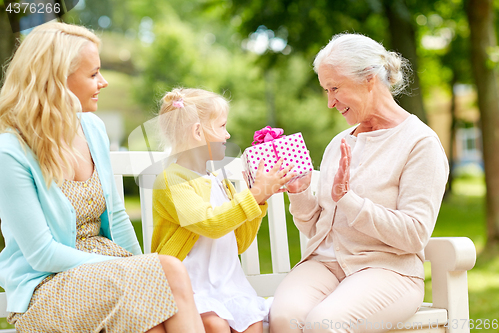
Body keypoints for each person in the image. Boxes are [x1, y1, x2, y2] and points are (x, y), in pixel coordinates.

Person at [0, 22, 204, 333]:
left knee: (162, 284)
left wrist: (144, 269)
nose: (104, 82)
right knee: (162, 275)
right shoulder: (10, 150)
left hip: (108, 273)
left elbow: (118, 216)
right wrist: (136, 269)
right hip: (46, 287)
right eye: (93, 73)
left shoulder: (92, 128)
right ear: (57, 80)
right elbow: (42, 254)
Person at [269, 33, 449, 333]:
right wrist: (300, 194)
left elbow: (415, 235)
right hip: (325, 266)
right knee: (284, 320)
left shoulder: (420, 143)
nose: (330, 102)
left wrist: (349, 200)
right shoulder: (338, 143)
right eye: (326, 90)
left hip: (387, 270)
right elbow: (316, 229)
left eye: (335, 88)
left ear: (369, 79)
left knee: (324, 325)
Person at [151, 88, 296, 333]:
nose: (227, 134)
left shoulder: (219, 180)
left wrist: (258, 200)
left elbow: (238, 242)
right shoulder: (171, 181)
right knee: (215, 324)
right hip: (190, 285)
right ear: (198, 132)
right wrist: (254, 195)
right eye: (221, 126)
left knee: (252, 324)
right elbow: (211, 224)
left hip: (229, 284)